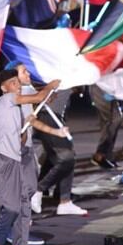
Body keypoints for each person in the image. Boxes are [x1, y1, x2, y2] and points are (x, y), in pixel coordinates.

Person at [0, 70, 65, 245]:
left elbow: (31, 118)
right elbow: (39, 96)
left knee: (23, 207)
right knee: (11, 207)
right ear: (4, 87)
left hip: (20, 158)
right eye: (13, 82)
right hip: (4, 161)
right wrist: (50, 85)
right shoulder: (6, 100)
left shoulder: (19, 102)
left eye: (17, 82)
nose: (17, 85)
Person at [31, 87, 87, 215]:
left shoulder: (67, 78)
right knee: (67, 157)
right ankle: (39, 190)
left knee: (56, 156)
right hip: (48, 116)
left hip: (52, 116)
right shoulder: (58, 74)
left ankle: (63, 199)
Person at [88, 84, 121, 170]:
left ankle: (106, 155)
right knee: (112, 119)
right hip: (100, 85)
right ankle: (101, 154)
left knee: (112, 119)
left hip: (109, 86)